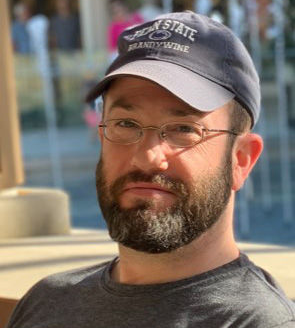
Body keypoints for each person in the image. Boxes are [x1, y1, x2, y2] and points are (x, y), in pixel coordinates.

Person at [6, 11, 295, 328]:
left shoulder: (262, 322)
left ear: (241, 159)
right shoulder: (46, 304)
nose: (146, 157)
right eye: (126, 124)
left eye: (183, 129)